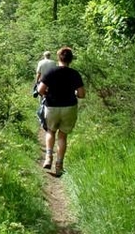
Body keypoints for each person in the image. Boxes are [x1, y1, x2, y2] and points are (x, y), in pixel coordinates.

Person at [37, 47, 85, 176]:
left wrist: (48, 94)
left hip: (52, 106)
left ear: (58, 58)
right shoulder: (75, 74)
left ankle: (48, 157)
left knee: (50, 131)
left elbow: (41, 90)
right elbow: (81, 94)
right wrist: (74, 92)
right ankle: (59, 165)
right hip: (69, 107)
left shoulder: (51, 72)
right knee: (62, 136)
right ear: (71, 60)